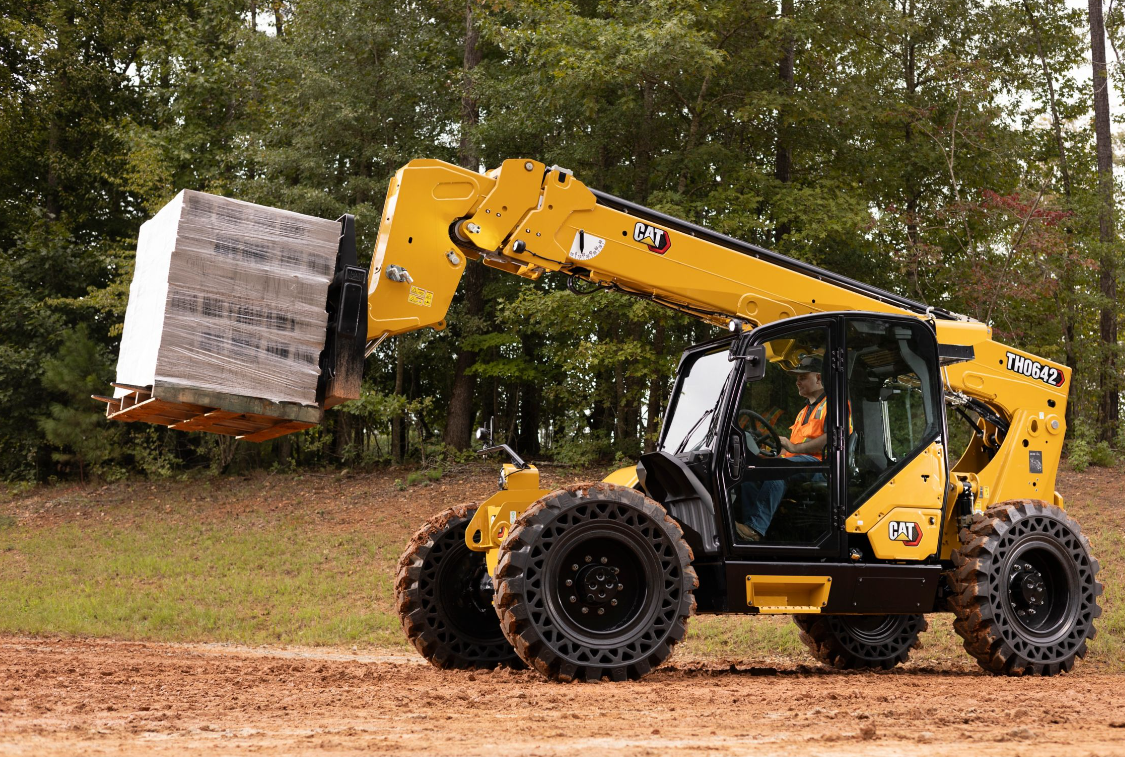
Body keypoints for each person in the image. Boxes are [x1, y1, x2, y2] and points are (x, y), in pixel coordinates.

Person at [736, 354, 831, 543]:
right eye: (797, 378)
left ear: (819, 378)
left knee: (777, 471)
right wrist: (774, 452)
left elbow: (832, 438)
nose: (798, 382)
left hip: (821, 466)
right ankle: (749, 529)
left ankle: (755, 528)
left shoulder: (834, 406)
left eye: (802, 377)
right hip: (798, 463)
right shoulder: (804, 411)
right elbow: (790, 449)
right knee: (750, 473)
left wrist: (794, 448)